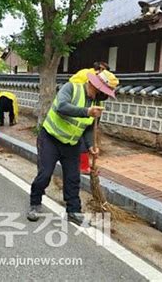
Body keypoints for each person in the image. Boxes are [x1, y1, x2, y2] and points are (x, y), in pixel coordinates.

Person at [28, 70, 119, 225]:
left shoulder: (98, 103)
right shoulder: (71, 88)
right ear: (93, 84)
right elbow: (61, 107)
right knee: (45, 174)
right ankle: (35, 203)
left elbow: (90, 127)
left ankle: (73, 211)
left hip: (71, 144)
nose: (102, 96)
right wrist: (86, 111)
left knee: (73, 178)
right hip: (50, 138)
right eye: (101, 91)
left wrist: (90, 146)